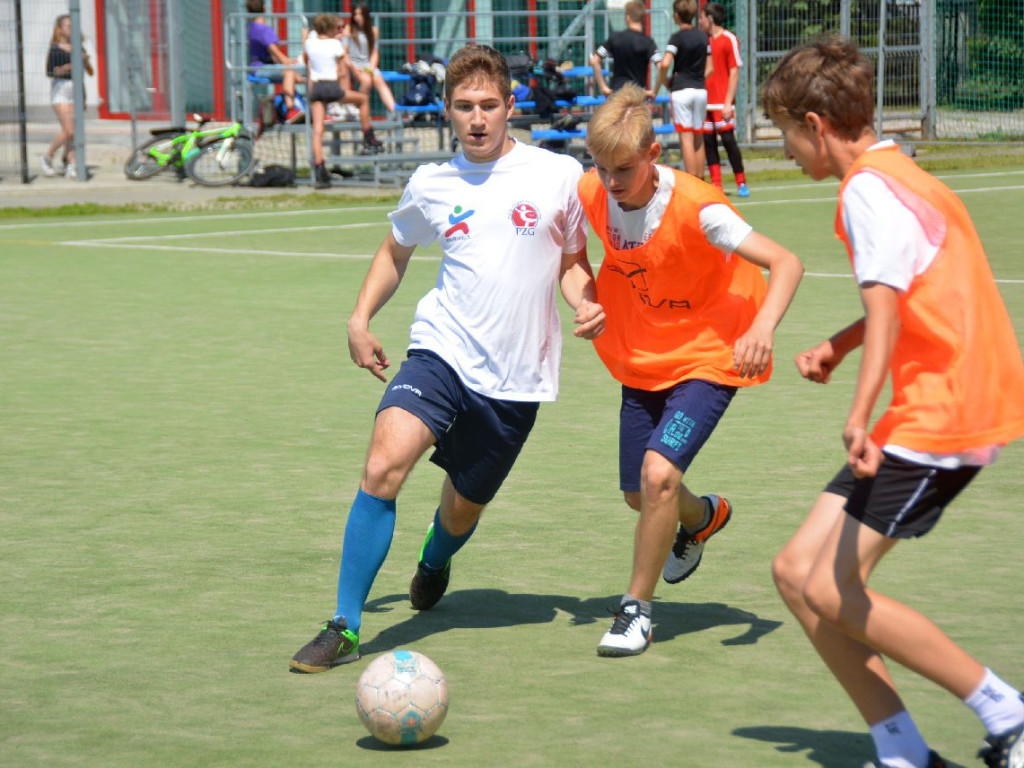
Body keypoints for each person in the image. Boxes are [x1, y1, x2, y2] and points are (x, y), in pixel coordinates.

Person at [289, 44, 606, 673]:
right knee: (383, 466)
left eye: (489, 105)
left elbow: (573, 262)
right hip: (441, 350)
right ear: (448, 111)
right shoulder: (431, 183)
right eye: (465, 107)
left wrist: (586, 303)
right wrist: (359, 319)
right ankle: (344, 626)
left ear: (511, 107)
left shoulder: (558, 177)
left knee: (461, 508)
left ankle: (435, 560)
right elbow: (395, 252)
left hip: (517, 377)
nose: (478, 118)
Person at [762, 36, 1024, 768]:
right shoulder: (896, 170)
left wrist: (855, 410)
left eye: (785, 133)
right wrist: (837, 347)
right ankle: (903, 750)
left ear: (816, 125)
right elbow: (904, 295)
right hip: (929, 406)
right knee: (796, 574)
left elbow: (885, 315)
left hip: (947, 411)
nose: (785, 153)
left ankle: (1007, 713)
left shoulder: (867, 190)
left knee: (836, 590)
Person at [577, 83, 804, 657]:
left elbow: (786, 262)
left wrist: (762, 328)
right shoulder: (592, 192)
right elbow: (571, 258)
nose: (610, 182)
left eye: (623, 169)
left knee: (658, 476)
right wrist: (580, 300)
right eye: (600, 168)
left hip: (709, 356)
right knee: (639, 493)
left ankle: (636, 611)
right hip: (641, 357)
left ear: (655, 156)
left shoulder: (701, 209)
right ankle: (702, 519)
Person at [303, 13, 382, 188]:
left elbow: (306, 60)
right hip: (331, 86)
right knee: (362, 99)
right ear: (331, 28)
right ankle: (368, 136)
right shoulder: (335, 44)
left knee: (318, 130)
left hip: (316, 87)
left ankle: (319, 169)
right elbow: (343, 67)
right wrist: (354, 74)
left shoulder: (309, 43)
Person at [651, 0, 711, 178]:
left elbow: (665, 64)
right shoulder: (703, 37)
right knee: (698, 136)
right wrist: (697, 78)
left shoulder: (676, 38)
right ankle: (700, 179)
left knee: (686, 137)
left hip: (681, 90)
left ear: (676, 16)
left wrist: (663, 82)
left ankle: (691, 179)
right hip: (700, 90)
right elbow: (711, 68)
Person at [700, 3, 749, 197]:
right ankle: (716, 183)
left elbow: (734, 70)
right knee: (708, 143)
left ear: (710, 18)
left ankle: (741, 182)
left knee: (729, 141)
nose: (700, 21)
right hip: (705, 102)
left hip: (722, 102)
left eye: (702, 17)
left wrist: (728, 102)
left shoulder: (729, 39)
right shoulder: (702, 40)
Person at [42, 14, 93, 179]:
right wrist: (70, 66)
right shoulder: (55, 49)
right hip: (61, 90)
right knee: (69, 131)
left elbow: (90, 73)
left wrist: (84, 62)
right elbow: (51, 72)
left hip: (76, 90)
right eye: (68, 26)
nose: (72, 29)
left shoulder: (79, 47)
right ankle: (48, 156)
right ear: (60, 29)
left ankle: (71, 164)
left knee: (73, 131)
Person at [246, 0, 303, 123]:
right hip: (261, 68)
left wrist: (287, 63)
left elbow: (273, 55)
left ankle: (301, 106)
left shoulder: (251, 27)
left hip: (256, 67)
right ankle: (290, 110)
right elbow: (275, 53)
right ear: (264, 8)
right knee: (289, 73)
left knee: (295, 76)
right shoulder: (264, 29)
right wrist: (289, 62)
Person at [589, 0, 659, 97]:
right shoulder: (648, 42)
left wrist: (604, 88)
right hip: (637, 95)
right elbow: (661, 66)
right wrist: (654, 91)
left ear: (628, 17)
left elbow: (594, 61)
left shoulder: (615, 38)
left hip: (618, 94)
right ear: (643, 18)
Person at [342, 3, 397, 115]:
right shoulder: (348, 30)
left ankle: (394, 110)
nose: (357, 17)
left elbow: (374, 53)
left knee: (379, 81)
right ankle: (358, 109)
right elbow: (344, 53)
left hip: (367, 65)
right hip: (352, 65)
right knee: (366, 81)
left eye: (360, 14)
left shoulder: (373, 31)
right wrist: (353, 68)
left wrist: (370, 68)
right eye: (355, 14)